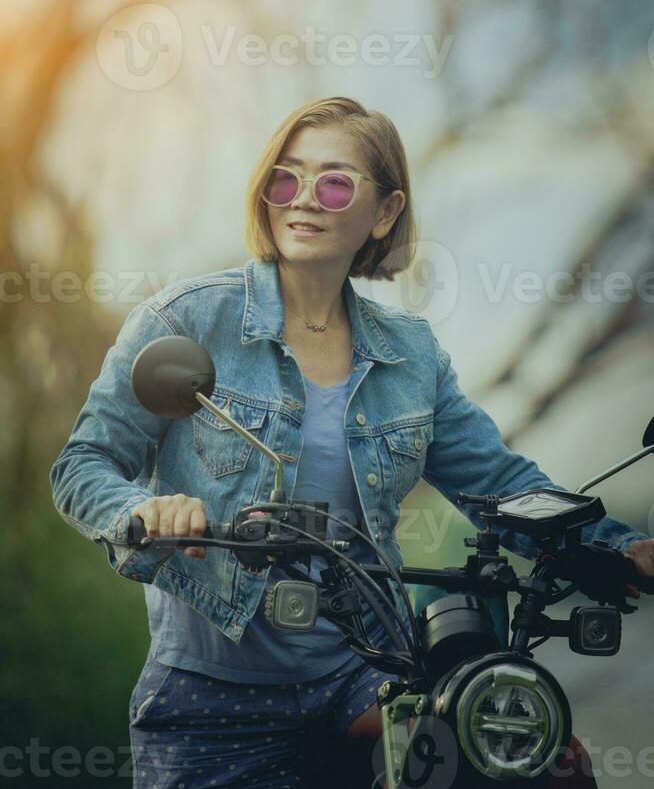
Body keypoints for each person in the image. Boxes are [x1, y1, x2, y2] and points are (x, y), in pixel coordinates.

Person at [50, 95, 654, 789]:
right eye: (287, 178)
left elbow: (499, 482)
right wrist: (144, 513)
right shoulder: (186, 319)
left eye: (334, 183)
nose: (304, 199)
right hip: (213, 694)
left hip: (364, 676)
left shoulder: (410, 356)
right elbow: (83, 465)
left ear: (385, 212)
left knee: (536, 762)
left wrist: (616, 548)